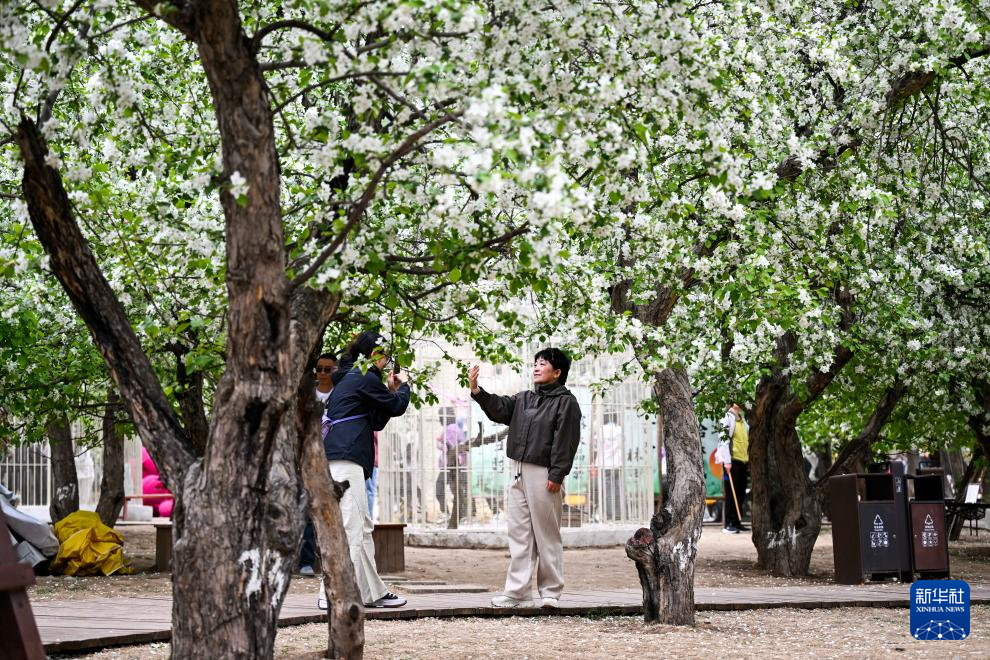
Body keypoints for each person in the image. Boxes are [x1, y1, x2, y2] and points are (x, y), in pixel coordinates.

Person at [469, 348, 582, 609]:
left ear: (557, 372)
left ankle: (550, 592)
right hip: (517, 470)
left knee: (546, 534)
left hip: (544, 473)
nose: (536, 367)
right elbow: (500, 408)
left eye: (543, 364)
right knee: (519, 534)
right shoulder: (524, 398)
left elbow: (566, 441)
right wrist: (477, 391)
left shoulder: (566, 402)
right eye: (535, 363)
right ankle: (517, 593)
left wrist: (557, 474)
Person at [317, 331, 409, 609]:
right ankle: (331, 594)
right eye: (385, 355)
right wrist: (404, 386)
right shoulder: (363, 377)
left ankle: (372, 593)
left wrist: (390, 390)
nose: (386, 361)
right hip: (346, 460)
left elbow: (377, 420)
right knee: (351, 528)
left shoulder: (352, 377)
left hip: (341, 458)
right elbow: (396, 406)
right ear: (373, 354)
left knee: (362, 527)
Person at [299, 353, 337, 577]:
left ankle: (332, 562)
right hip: (310, 456)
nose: (322, 373)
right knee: (308, 510)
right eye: (319, 369)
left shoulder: (340, 393)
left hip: (335, 455)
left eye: (327, 369)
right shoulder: (308, 394)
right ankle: (306, 561)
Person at [721, 403, 750, 534]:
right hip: (732, 462)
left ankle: (737, 522)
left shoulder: (742, 419)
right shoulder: (727, 417)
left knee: (740, 493)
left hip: (743, 461)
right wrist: (727, 461)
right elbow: (723, 441)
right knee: (731, 493)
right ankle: (729, 523)